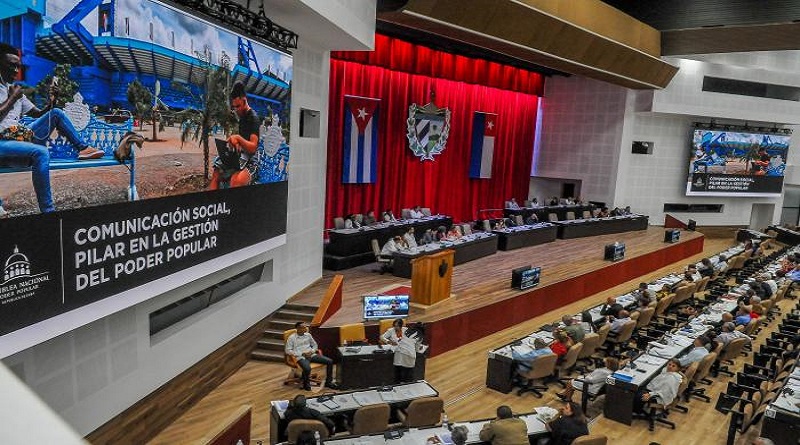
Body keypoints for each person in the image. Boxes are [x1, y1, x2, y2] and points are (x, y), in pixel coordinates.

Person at [0, 43, 104, 214]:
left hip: (20, 138)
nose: (16, 70)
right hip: (3, 143)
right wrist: (12, 98)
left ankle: (83, 148)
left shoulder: (17, 91)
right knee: (41, 152)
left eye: (18, 66)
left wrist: (52, 100)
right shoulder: (12, 92)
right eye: (11, 65)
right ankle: (48, 212)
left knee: (55, 113)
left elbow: (38, 113)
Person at [209, 81, 259, 190]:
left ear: (244, 100)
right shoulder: (242, 117)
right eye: (234, 107)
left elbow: (253, 147)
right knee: (216, 173)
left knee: (235, 181)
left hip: (251, 159)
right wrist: (233, 143)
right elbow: (242, 141)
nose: (236, 109)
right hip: (240, 155)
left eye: (238, 106)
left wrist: (238, 138)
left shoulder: (253, 118)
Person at [285, 322, 336, 390]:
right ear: (298, 328)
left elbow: (315, 345)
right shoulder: (292, 338)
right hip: (300, 357)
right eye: (304, 327)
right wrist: (301, 354)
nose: (306, 328)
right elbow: (287, 350)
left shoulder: (308, 335)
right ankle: (306, 384)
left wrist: (311, 351)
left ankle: (328, 382)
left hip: (311, 354)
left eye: (306, 327)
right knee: (307, 368)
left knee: (330, 361)